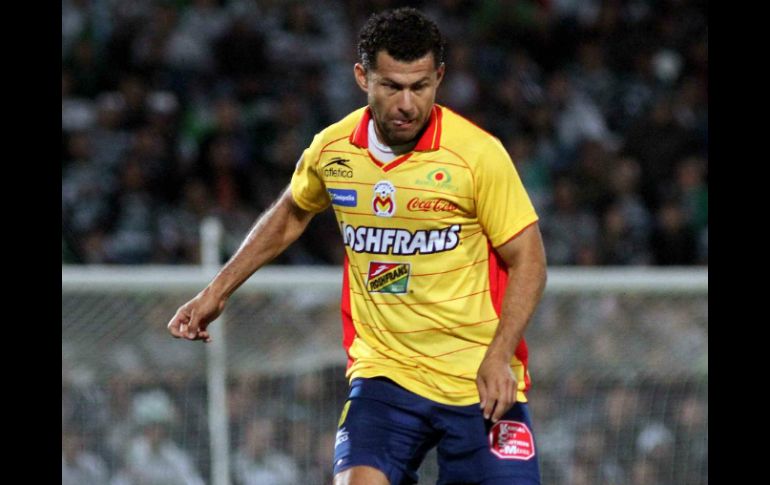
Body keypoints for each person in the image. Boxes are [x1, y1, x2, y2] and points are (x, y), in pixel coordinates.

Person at [168, 7, 547, 485]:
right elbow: (291, 212)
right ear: (362, 77)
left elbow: (529, 259)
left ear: (439, 78)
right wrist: (216, 291)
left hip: (478, 375)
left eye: (420, 86)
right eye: (391, 86)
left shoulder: (477, 156)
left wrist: (499, 354)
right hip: (385, 374)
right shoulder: (334, 151)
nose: (407, 103)